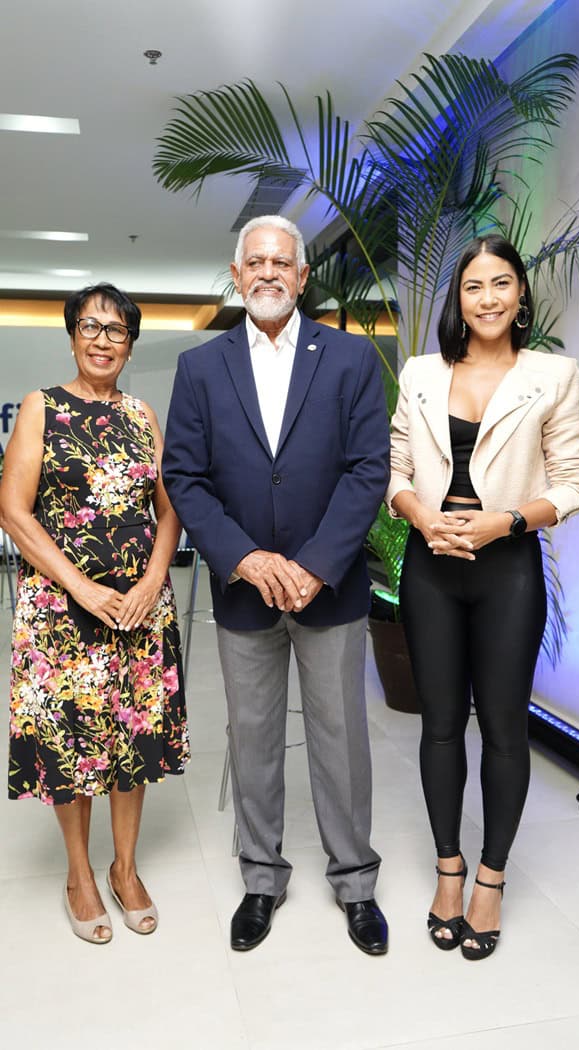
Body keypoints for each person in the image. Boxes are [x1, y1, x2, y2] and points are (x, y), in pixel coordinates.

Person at [163, 215, 390, 954]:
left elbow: (367, 471)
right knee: (253, 738)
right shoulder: (200, 368)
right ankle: (261, 880)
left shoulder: (350, 359)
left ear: (300, 277)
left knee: (341, 741)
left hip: (330, 587)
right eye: (254, 262)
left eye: (281, 262)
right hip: (243, 593)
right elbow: (185, 478)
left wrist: (313, 564)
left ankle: (355, 883)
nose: (267, 273)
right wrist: (247, 559)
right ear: (237, 275)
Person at [387, 235, 579, 960]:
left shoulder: (554, 375)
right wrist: (423, 517)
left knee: (504, 726)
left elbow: (573, 480)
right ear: (459, 299)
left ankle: (491, 880)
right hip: (431, 562)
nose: (489, 298)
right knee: (440, 724)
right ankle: (448, 868)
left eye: (502, 283)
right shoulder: (419, 372)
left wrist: (505, 521)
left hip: (507, 566)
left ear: (521, 293)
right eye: (474, 286)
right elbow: (397, 470)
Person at [0, 283, 190, 944]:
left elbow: (168, 508)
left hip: (139, 610)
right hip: (63, 610)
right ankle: (79, 876)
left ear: (130, 342)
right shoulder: (41, 408)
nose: (103, 338)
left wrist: (155, 578)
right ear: (72, 335)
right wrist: (82, 587)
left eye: (116, 329)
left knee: (131, 742)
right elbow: (13, 512)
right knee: (70, 748)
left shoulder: (142, 415)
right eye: (90, 325)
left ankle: (125, 869)